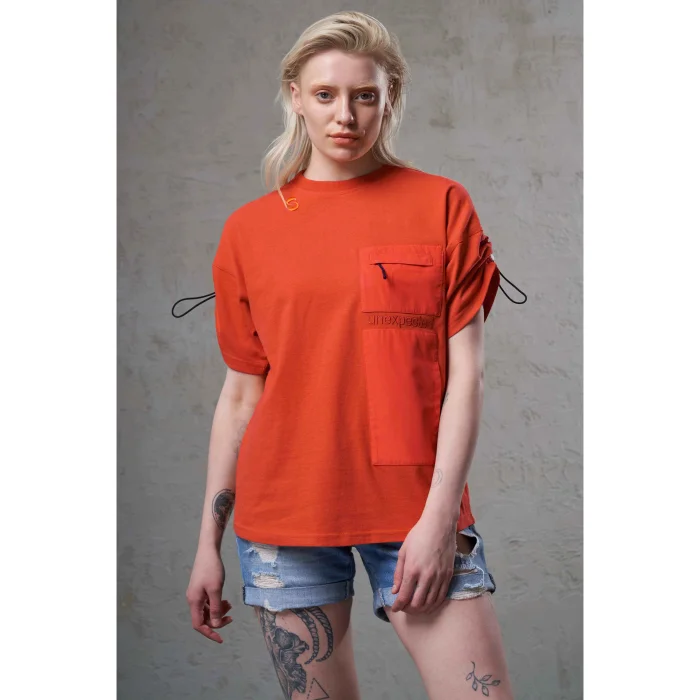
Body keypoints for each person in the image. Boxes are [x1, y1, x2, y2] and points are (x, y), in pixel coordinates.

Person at [186, 10, 514, 700]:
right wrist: (206, 545)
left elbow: (467, 377)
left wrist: (439, 518)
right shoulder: (249, 230)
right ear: (296, 98)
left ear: (389, 98)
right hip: (285, 514)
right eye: (325, 94)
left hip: (415, 509)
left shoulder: (441, 204)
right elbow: (241, 395)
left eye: (365, 95)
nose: (345, 115)